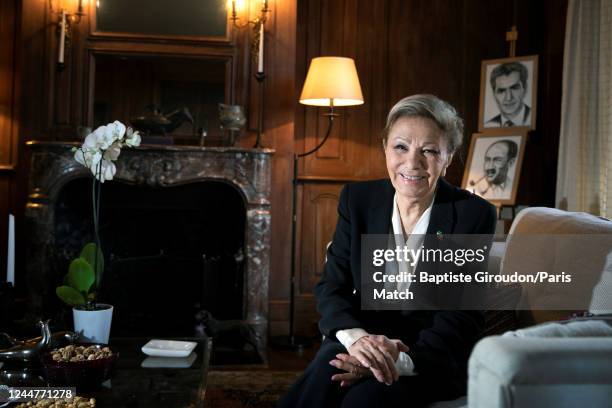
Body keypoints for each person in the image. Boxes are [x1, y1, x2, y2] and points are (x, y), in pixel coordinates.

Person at [279, 94, 496, 408]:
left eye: (430, 150)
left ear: (448, 156)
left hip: (428, 357)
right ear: (384, 147)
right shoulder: (358, 200)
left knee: (364, 401)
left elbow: (461, 316)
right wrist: (359, 341)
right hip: (363, 337)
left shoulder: (473, 215)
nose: (413, 163)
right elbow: (332, 286)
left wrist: (397, 360)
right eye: (401, 147)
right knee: (323, 377)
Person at [485, 62, 531, 127]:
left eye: (514, 88)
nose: (508, 97)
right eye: (501, 91)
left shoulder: (534, 118)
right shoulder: (488, 125)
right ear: (494, 94)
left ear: (525, 88)